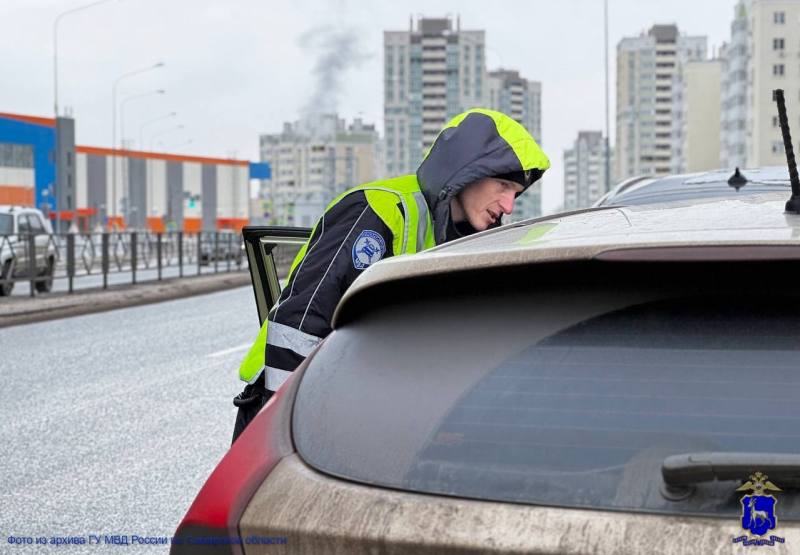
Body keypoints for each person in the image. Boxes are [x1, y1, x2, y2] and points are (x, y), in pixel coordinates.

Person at [231, 108, 550, 443]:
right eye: (503, 184)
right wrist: (285, 433)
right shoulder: (382, 209)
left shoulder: (469, 239)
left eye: (516, 191)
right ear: (469, 169)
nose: (509, 205)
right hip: (285, 409)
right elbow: (301, 323)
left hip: (361, 415)